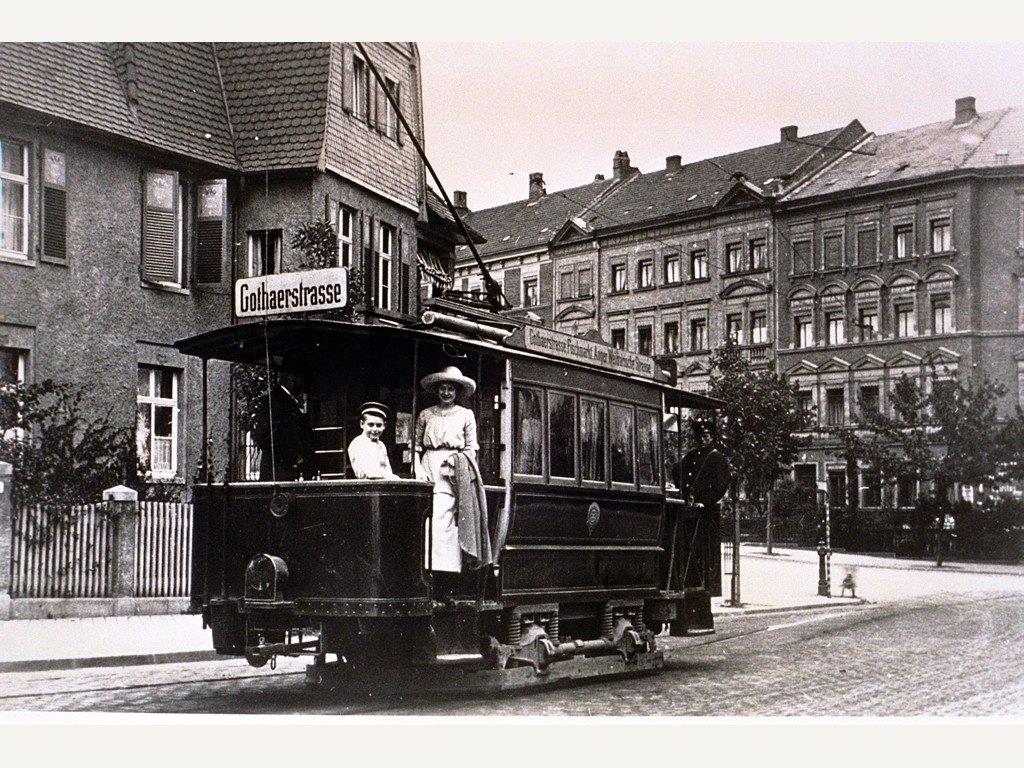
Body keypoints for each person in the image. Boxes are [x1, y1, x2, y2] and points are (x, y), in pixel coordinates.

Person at [415, 366, 490, 578]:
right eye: (443, 388)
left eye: (451, 389)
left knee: (446, 519)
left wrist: (457, 464)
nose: (446, 393)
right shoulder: (426, 414)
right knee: (428, 518)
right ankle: (427, 571)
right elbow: (415, 446)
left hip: (453, 470)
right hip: (429, 465)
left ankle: (445, 576)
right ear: (437, 390)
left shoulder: (465, 415)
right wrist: (419, 468)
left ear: (457, 392)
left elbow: (471, 447)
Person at [347, 402, 399, 479]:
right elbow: (369, 473)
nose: (375, 429)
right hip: (367, 487)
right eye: (370, 425)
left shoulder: (381, 445)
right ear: (362, 424)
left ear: (384, 425)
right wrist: (391, 477)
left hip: (384, 486)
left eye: (379, 425)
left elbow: (387, 468)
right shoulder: (358, 443)